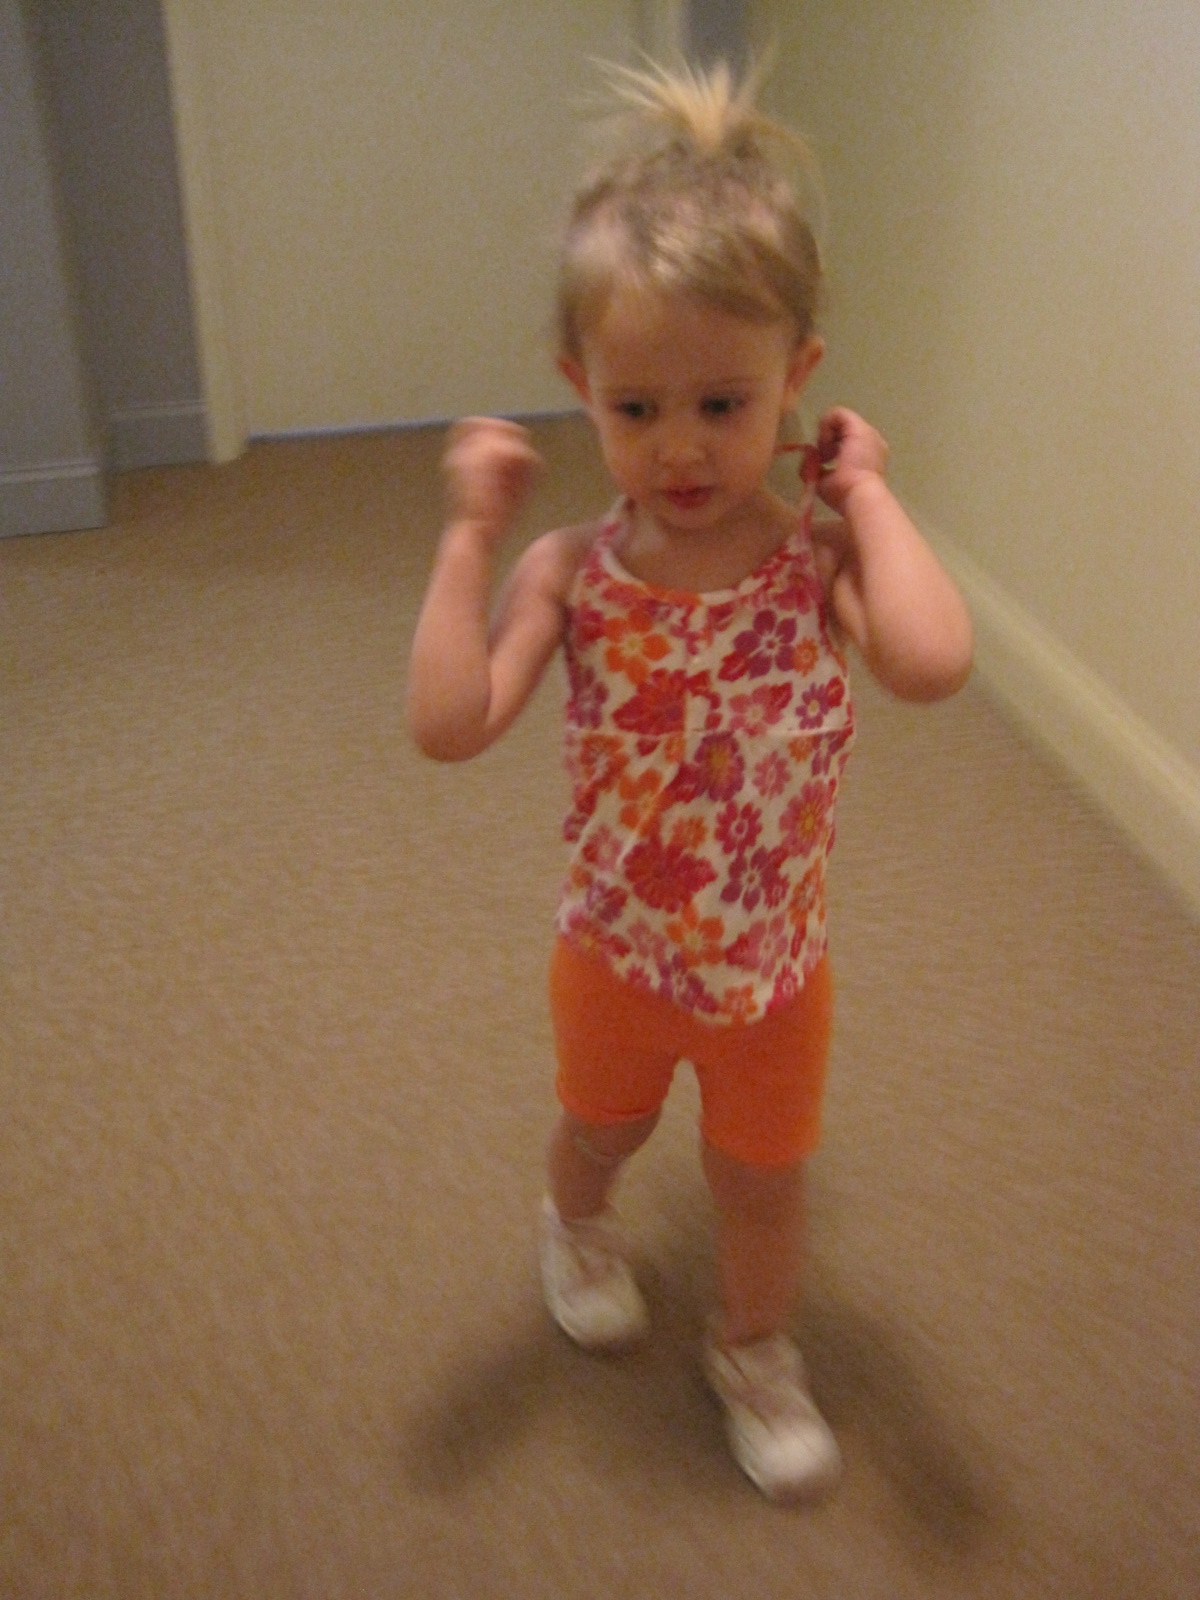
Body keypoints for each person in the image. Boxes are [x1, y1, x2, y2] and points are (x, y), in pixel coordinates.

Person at [406, 59, 973, 1502]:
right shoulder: (571, 570)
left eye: (724, 402)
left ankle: (755, 1350)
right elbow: (449, 723)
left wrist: (867, 495)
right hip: (617, 952)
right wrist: (469, 540)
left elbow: (929, 661)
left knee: (762, 1181)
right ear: (578, 391)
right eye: (637, 405)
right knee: (601, 1131)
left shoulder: (816, 562)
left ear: (798, 380)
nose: (679, 447)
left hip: (774, 969)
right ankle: (574, 1226)